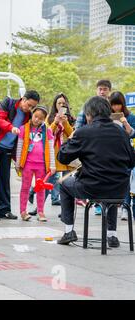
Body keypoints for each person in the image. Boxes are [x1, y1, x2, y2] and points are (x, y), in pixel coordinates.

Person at [57, 97, 135, 248]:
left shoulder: (84, 132)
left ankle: (68, 231)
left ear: (89, 114)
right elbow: (132, 162)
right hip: (120, 189)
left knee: (64, 184)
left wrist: (71, 137)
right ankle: (112, 235)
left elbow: (63, 157)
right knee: (110, 189)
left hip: (92, 187)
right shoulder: (122, 133)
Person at [0, 90, 40, 221]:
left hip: (8, 149)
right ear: (23, 99)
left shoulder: (28, 115)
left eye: (32, 107)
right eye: (29, 105)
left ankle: (4, 210)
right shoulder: (8, 102)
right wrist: (11, 128)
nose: (29, 108)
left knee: (5, 178)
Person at [29, 93, 76, 215]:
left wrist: (65, 123)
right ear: (55, 104)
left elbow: (72, 135)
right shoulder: (49, 117)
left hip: (66, 153)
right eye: (59, 103)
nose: (61, 105)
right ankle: (39, 207)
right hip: (52, 153)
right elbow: (47, 133)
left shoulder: (70, 118)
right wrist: (55, 122)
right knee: (46, 180)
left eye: (63, 103)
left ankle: (66, 210)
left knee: (67, 183)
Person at [75, 80, 112, 215]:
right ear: (96, 90)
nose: (102, 91)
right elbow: (78, 128)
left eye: (105, 89)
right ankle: (96, 204)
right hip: (91, 148)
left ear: (110, 91)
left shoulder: (113, 107)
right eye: (100, 89)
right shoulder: (87, 107)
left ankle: (105, 204)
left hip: (110, 149)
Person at [16, 106, 56, 222]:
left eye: (40, 118)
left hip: (42, 165)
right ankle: (23, 211)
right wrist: (18, 162)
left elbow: (51, 149)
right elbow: (20, 147)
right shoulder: (24, 129)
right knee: (25, 187)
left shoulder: (47, 131)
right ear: (32, 115)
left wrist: (52, 165)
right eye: (35, 116)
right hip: (27, 164)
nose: (37, 120)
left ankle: (41, 212)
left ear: (44, 119)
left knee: (41, 188)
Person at [109, 91, 135, 221]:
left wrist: (125, 123)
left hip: (126, 152)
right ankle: (114, 204)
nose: (116, 108)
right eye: (113, 105)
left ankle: (125, 207)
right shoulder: (107, 117)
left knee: (127, 179)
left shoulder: (130, 117)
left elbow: (132, 133)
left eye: (118, 105)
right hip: (111, 152)